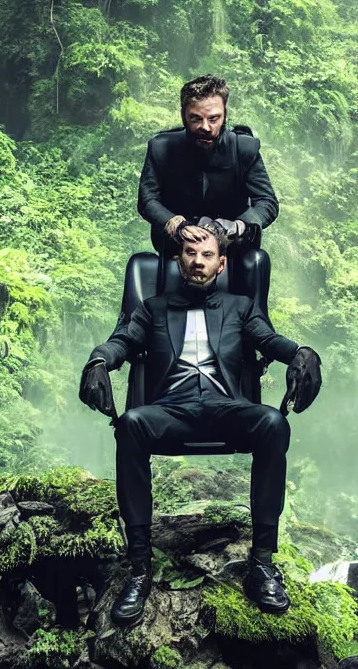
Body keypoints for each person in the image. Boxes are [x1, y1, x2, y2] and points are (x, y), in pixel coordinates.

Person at [79, 226, 321, 627]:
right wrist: (99, 361)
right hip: (170, 410)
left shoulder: (240, 306)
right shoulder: (153, 307)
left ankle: (261, 564)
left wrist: (302, 352)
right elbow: (121, 341)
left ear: (220, 263)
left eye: (207, 255)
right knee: (132, 424)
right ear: (179, 260)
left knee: (273, 422)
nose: (198, 261)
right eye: (190, 253)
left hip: (225, 406)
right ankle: (139, 568)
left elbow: (268, 339)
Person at [138, 75, 279, 257]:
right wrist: (173, 223)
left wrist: (239, 226)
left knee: (256, 263)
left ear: (225, 115)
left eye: (213, 119)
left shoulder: (244, 149)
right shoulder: (161, 148)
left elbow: (267, 202)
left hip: (232, 247)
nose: (205, 127)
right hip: (177, 246)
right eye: (196, 119)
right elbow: (147, 200)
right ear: (183, 117)